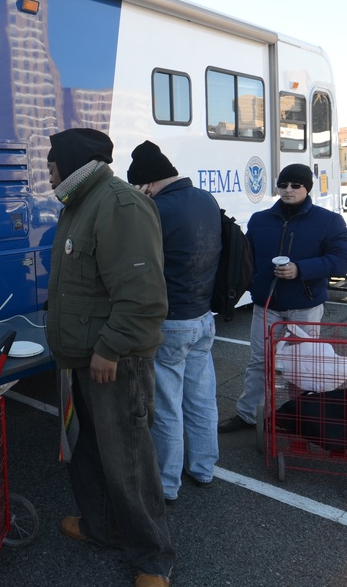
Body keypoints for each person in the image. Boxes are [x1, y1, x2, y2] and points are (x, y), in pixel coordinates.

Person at [45, 128, 175, 587]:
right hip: (86, 359)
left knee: (129, 459)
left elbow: (142, 296)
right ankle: (102, 528)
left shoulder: (118, 204)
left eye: (52, 162)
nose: (48, 170)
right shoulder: (81, 204)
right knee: (92, 450)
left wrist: (110, 347)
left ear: (73, 160)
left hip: (114, 361)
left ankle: (152, 559)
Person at [218, 163, 347, 434]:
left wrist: (301, 270)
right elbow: (247, 259)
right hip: (266, 304)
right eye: (283, 185)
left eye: (295, 185)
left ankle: (299, 417)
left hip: (304, 305)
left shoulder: (329, 221)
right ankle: (248, 416)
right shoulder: (260, 219)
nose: (288, 190)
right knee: (259, 361)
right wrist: (250, 283)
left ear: (307, 188)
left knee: (302, 364)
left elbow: (343, 260)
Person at [127, 141, 221, 504]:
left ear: (148, 183)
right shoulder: (205, 200)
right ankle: (203, 467)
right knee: (201, 398)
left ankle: (166, 484)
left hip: (170, 320)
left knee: (166, 405)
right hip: (202, 315)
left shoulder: (155, 209)